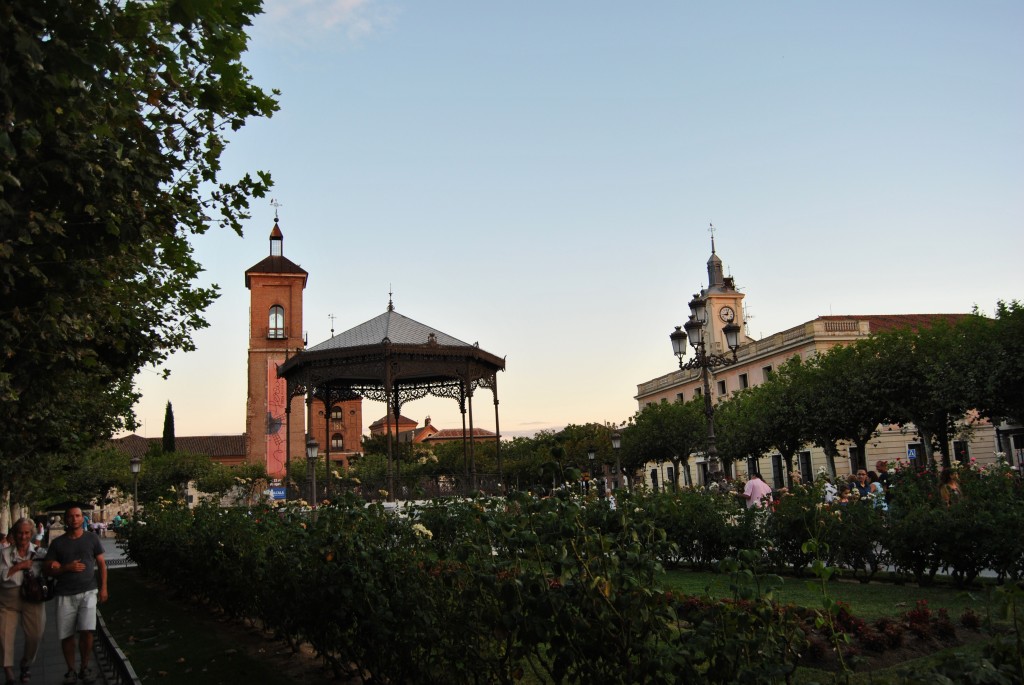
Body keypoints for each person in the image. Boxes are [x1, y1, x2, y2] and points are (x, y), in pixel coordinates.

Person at [43, 507, 107, 685]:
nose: (74, 519)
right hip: (65, 593)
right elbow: (47, 568)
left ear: (82, 519)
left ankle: (85, 666)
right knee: (67, 634)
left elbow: (101, 563)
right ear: (65, 520)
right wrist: (65, 568)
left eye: (78, 516)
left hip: (88, 590)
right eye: (71, 516)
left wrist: (103, 588)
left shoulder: (91, 538)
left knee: (87, 630)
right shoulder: (58, 544)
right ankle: (71, 669)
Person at [0, 519, 45, 684]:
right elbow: (2, 577)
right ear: (14, 534)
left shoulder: (40, 553)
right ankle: (8, 671)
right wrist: (19, 566)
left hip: (32, 599)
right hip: (7, 599)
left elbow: (49, 569)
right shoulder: (4, 554)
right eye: (20, 532)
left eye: (27, 533)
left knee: (35, 635)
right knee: (5, 636)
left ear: (31, 534)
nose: (23, 536)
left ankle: (26, 663)